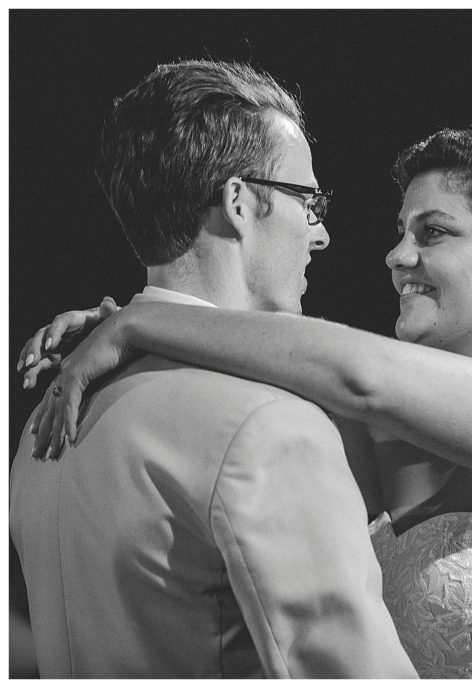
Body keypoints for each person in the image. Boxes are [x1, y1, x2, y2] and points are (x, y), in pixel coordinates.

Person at [22, 128, 472, 677]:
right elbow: (248, 384)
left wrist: (147, 321)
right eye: (401, 231)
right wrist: (128, 331)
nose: (396, 255)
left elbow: (359, 374)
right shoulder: (381, 435)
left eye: (433, 233)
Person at [9, 59, 417, 679]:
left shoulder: (45, 428)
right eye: (307, 200)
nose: (321, 235)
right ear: (238, 202)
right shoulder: (268, 426)